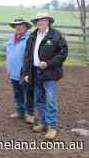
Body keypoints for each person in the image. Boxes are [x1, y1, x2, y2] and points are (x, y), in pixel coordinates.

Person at [23, 12, 68, 140]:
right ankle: (43, 123)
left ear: (48, 21)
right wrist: (26, 72)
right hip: (35, 72)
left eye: (42, 20)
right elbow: (27, 56)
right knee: (38, 99)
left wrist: (48, 63)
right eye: (38, 20)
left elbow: (63, 53)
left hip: (50, 73)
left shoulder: (56, 35)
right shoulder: (32, 36)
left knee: (50, 100)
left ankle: (52, 127)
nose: (39, 22)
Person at [6, 18, 34, 124]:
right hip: (13, 72)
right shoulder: (10, 40)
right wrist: (8, 69)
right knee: (17, 93)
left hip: (25, 72)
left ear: (26, 27)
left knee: (28, 93)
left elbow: (31, 57)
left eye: (21, 25)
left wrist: (28, 72)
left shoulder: (30, 40)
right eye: (16, 25)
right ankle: (20, 111)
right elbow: (8, 56)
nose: (18, 27)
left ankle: (30, 114)